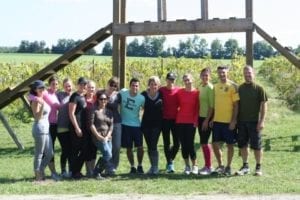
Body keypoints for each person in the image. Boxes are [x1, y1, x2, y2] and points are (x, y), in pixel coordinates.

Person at [235, 66, 268, 176]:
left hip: (254, 122)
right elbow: (237, 105)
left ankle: (258, 167)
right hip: (242, 121)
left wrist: (262, 121)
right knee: (243, 145)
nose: (247, 75)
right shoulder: (240, 88)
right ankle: (245, 166)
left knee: (257, 146)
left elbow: (264, 106)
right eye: (245, 73)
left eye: (249, 73)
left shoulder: (259, 88)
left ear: (253, 73)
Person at [212, 65, 239, 176]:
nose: (222, 74)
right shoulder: (216, 86)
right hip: (217, 121)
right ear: (217, 73)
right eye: (220, 72)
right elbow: (215, 104)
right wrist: (213, 118)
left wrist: (234, 121)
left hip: (228, 121)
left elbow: (236, 105)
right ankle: (220, 165)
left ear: (227, 72)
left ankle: (228, 166)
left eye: (224, 72)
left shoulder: (233, 86)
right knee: (214, 143)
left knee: (230, 145)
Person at [118, 77, 145, 174]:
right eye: (133, 85)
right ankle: (132, 166)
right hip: (125, 125)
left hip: (137, 126)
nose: (135, 87)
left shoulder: (141, 98)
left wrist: (143, 121)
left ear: (139, 87)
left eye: (137, 86)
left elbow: (146, 109)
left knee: (140, 147)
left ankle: (140, 165)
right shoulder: (122, 93)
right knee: (129, 148)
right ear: (129, 86)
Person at [29, 80, 53, 182]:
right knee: (39, 153)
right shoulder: (36, 101)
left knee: (50, 154)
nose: (42, 90)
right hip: (39, 129)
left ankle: (41, 170)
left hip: (46, 130)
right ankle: (38, 175)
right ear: (35, 90)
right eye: (40, 88)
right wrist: (42, 105)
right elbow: (37, 117)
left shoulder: (40, 98)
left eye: (43, 88)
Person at [176, 74, 199, 175]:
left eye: (188, 80)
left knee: (190, 144)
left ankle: (195, 165)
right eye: (185, 80)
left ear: (192, 80)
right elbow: (175, 104)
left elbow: (198, 108)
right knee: (183, 145)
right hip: (180, 121)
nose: (187, 82)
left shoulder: (197, 92)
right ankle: (187, 166)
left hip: (191, 122)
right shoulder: (180, 92)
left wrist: (196, 121)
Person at [141, 76, 163, 175]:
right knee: (149, 146)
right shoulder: (144, 94)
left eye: (155, 84)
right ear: (148, 85)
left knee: (153, 145)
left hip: (157, 125)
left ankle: (155, 167)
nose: (153, 86)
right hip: (145, 124)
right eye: (151, 84)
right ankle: (152, 167)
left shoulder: (161, 95)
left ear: (158, 85)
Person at [159, 72, 180, 173]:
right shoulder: (161, 90)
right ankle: (170, 163)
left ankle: (170, 160)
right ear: (166, 79)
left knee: (177, 143)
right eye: (169, 79)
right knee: (166, 143)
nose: (171, 81)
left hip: (176, 120)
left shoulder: (178, 90)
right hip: (164, 120)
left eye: (173, 79)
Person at [90, 91, 114, 180]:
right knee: (108, 154)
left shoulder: (109, 112)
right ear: (98, 100)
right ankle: (96, 172)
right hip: (98, 137)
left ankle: (98, 172)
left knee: (108, 155)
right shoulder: (94, 110)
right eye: (101, 99)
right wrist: (98, 136)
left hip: (107, 137)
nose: (103, 101)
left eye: (105, 99)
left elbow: (111, 125)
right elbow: (91, 124)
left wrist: (108, 136)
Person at [68, 77, 88, 179]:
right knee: (75, 150)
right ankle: (73, 172)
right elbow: (71, 113)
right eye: (81, 84)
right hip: (76, 128)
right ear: (78, 85)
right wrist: (76, 128)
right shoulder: (74, 97)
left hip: (83, 128)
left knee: (84, 150)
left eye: (85, 84)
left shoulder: (83, 96)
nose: (83, 86)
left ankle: (76, 170)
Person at [102, 77, 122, 174]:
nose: (113, 87)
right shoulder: (101, 93)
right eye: (111, 85)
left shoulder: (118, 95)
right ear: (108, 83)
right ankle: (108, 167)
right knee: (107, 146)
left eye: (115, 86)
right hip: (105, 123)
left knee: (117, 146)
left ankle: (114, 165)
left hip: (117, 122)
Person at [198, 68, 214, 175]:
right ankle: (206, 165)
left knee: (205, 142)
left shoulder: (210, 88)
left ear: (209, 76)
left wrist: (207, 120)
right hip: (200, 117)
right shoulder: (201, 87)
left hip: (206, 118)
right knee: (203, 142)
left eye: (206, 75)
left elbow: (212, 106)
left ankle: (209, 167)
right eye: (203, 75)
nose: (205, 77)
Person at [56, 78, 73, 178]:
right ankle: (63, 170)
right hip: (61, 127)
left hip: (71, 127)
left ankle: (71, 170)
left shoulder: (75, 96)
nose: (68, 88)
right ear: (63, 87)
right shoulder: (59, 95)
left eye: (70, 86)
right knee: (65, 150)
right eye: (66, 86)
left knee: (71, 150)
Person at [84, 80, 97, 177]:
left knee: (94, 149)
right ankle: (88, 170)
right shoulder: (82, 99)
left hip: (95, 128)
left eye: (92, 87)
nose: (91, 89)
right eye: (89, 87)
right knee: (87, 149)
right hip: (85, 128)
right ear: (86, 88)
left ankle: (92, 169)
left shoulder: (97, 99)